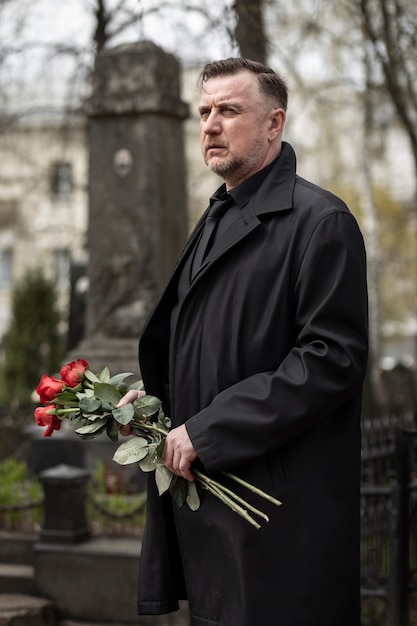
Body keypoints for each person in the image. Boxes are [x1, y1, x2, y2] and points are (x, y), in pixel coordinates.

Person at [118, 57, 368, 626]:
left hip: (276, 523)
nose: (210, 124)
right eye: (204, 111)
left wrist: (207, 430)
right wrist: (155, 403)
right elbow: (204, 346)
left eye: (229, 110)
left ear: (274, 123)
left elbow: (330, 360)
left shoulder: (321, 221)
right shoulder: (214, 217)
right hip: (213, 511)